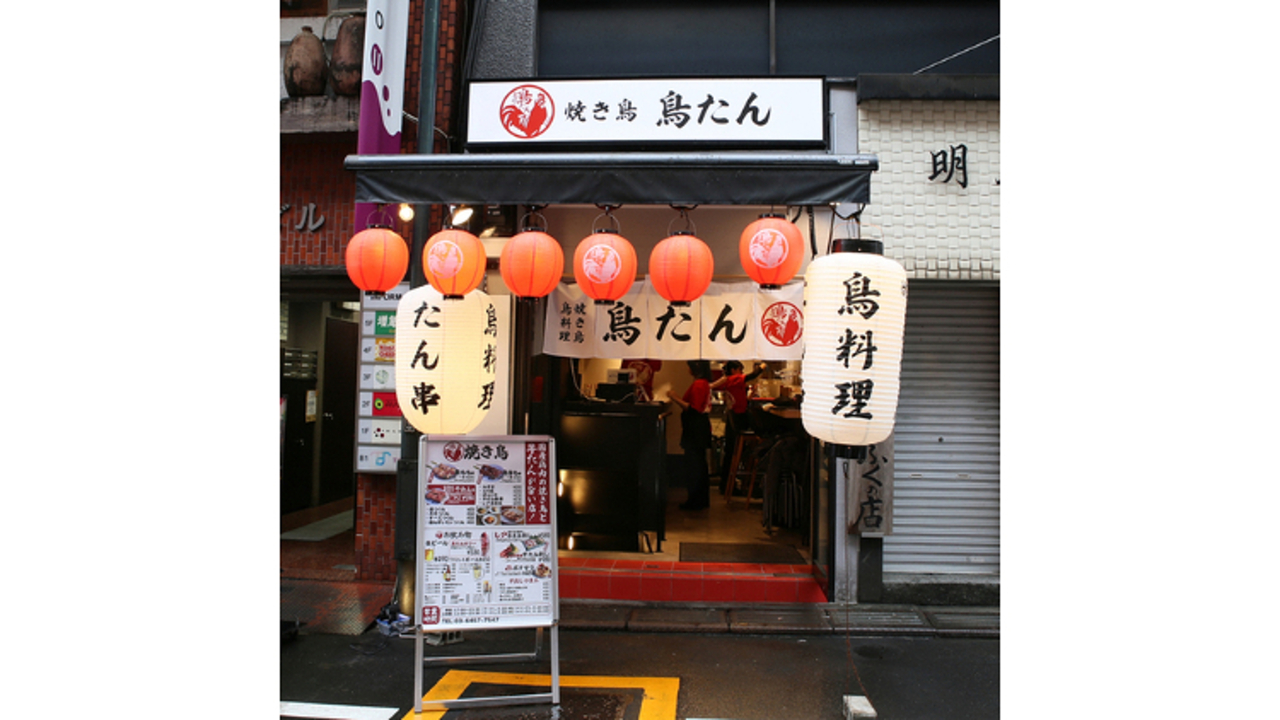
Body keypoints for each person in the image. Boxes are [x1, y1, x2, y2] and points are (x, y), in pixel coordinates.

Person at [711, 360, 767, 484]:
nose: (742, 373)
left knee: (731, 452)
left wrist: (749, 395)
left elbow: (740, 400)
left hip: (734, 421)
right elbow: (753, 375)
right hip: (739, 420)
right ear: (733, 370)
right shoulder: (734, 379)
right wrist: (763, 365)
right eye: (740, 370)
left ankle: (727, 483)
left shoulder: (731, 381)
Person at [669, 360, 713, 510]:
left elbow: (694, 409)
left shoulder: (699, 384)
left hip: (695, 428)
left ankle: (695, 501)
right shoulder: (703, 383)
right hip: (699, 428)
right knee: (699, 464)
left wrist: (675, 397)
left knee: (694, 465)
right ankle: (700, 499)